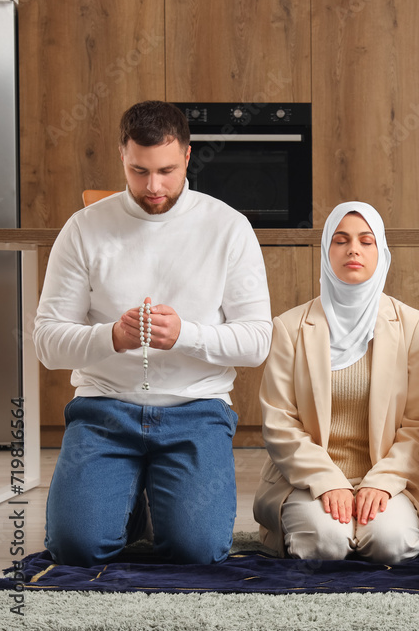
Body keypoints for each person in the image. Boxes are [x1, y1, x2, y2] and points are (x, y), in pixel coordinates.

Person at [33, 100, 272, 567]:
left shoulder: (229, 228)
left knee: (197, 551)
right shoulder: (84, 229)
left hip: (196, 412)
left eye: (165, 170)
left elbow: (257, 341)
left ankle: (138, 498)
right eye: (138, 171)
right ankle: (127, 506)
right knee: (76, 548)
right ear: (122, 155)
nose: (153, 186)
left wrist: (186, 334)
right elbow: (45, 342)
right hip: (104, 410)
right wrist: (111, 339)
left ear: (187, 155)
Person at [253, 202, 419, 563]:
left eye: (366, 241)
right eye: (341, 240)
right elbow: (279, 423)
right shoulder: (290, 327)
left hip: (388, 478)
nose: (353, 249)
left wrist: (381, 481)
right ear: (326, 251)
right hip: (305, 479)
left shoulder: (414, 326)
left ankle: (370, 520)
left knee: (391, 544)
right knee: (325, 544)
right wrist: (328, 480)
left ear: (381, 252)